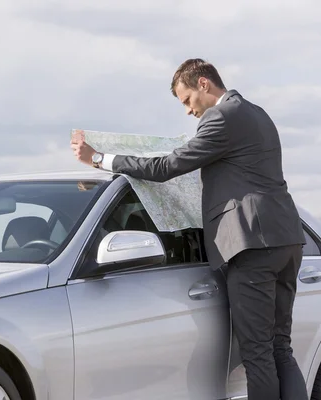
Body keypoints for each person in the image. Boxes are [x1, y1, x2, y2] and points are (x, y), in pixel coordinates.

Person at [71, 58, 308, 400]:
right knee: (279, 348)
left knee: (257, 354)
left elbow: (170, 166)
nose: (187, 111)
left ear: (203, 85)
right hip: (286, 239)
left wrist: (98, 159)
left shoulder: (222, 116)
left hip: (252, 245)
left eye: (186, 101)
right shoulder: (257, 113)